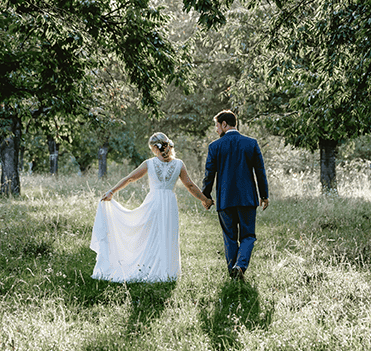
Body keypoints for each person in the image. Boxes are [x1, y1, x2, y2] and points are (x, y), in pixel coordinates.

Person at [90, 132, 214, 282]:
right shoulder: (179, 164)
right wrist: (204, 200)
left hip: (154, 202)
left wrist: (112, 191)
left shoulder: (149, 163)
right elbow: (190, 186)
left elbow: (130, 178)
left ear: (155, 148)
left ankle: (148, 268)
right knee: (168, 236)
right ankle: (167, 272)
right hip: (169, 204)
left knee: (150, 236)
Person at [201, 110, 269, 281]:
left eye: (217, 126)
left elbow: (209, 175)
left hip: (225, 200)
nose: (216, 130)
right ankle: (240, 266)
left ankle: (233, 272)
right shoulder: (251, 143)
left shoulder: (215, 147)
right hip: (247, 199)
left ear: (224, 124)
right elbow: (260, 172)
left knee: (230, 238)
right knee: (248, 236)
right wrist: (264, 195)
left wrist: (206, 197)